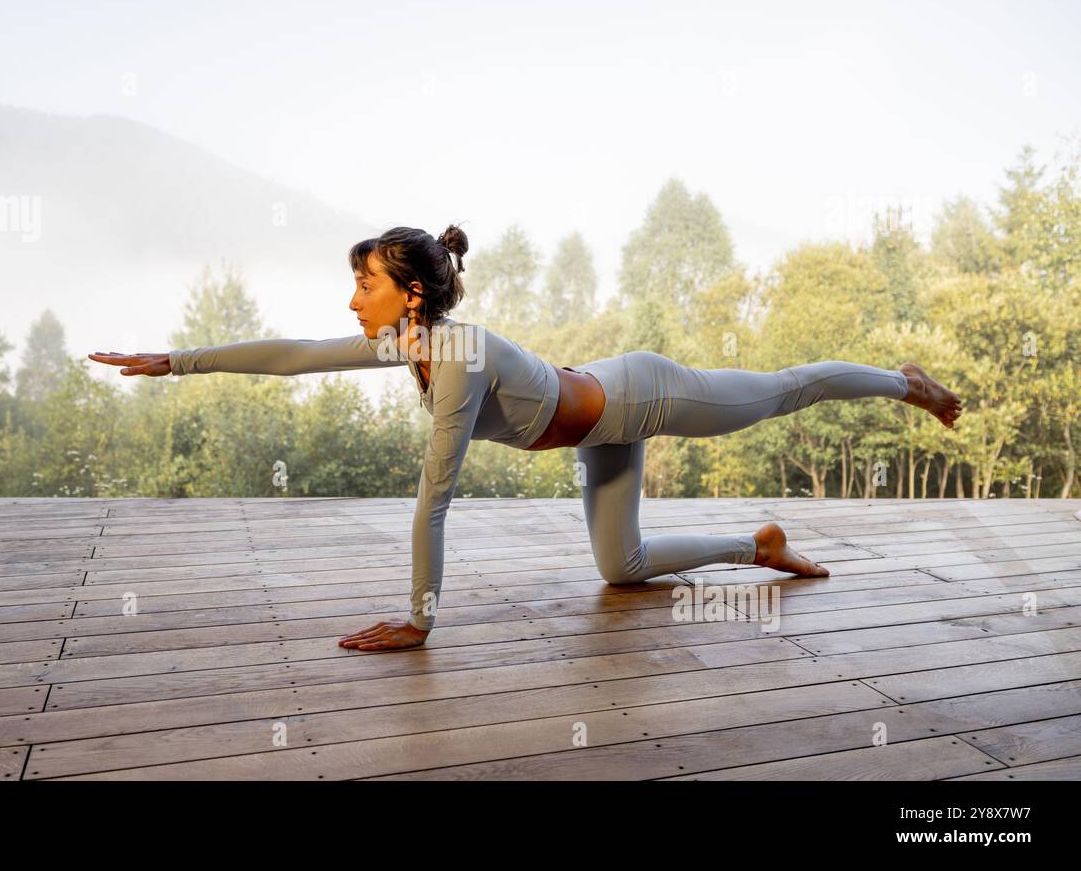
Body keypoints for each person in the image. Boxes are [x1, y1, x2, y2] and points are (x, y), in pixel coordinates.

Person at [89, 224, 963, 651]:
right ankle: (757, 543)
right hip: (596, 431)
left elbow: (435, 500)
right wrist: (172, 361)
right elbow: (295, 356)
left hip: (642, 394)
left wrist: (420, 623)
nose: (354, 300)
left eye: (364, 282)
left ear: (413, 295)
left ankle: (904, 381)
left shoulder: (457, 357)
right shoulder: (412, 341)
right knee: (621, 571)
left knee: (779, 392)